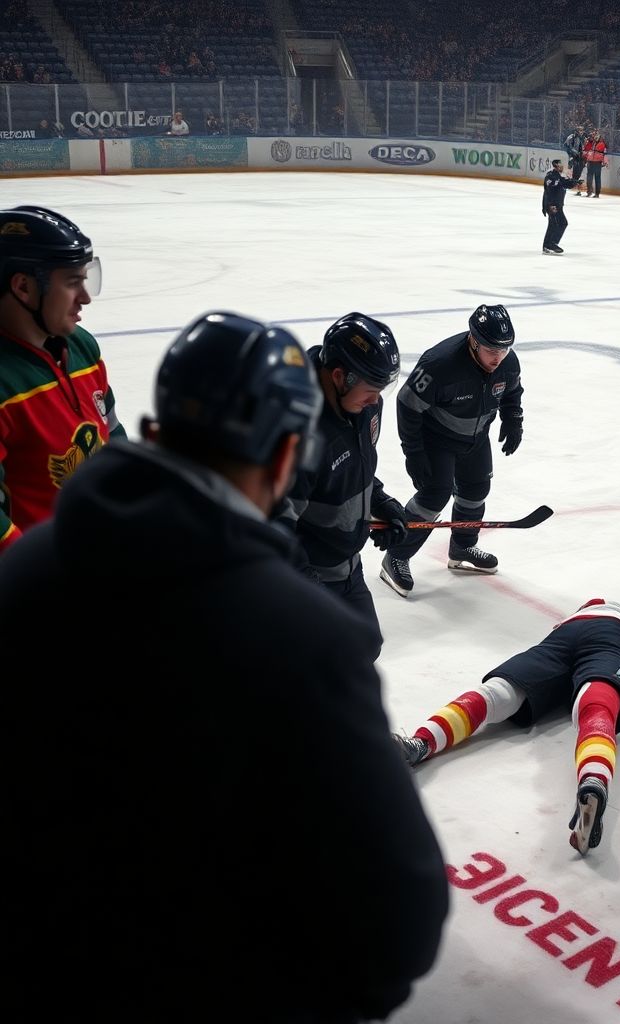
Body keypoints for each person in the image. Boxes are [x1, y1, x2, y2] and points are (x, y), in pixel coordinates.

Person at [0, 311, 449, 1021]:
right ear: (281, 462)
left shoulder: (26, 569)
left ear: (152, 429)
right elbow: (397, 922)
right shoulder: (303, 641)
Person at [393, 600, 620, 855]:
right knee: (597, 706)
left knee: (502, 692)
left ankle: (419, 742)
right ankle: (594, 781)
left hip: (577, 624)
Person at [276, 312, 407, 660]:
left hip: (347, 566)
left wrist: (381, 502)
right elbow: (276, 525)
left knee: (365, 645)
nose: (375, 400)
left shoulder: (359, 406)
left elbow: (355, 467)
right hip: (308, 577)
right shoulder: (299, 433)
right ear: (339, 376)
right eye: (371, 391)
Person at [0, 204, 123, 553]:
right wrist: (37, 579)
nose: (85, 298)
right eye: (72, 283)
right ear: (23, 287)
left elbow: (113, 434)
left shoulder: (82, 347)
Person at [380, 303, 523, 597]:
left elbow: (512, 391)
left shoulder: (507, 362)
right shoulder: (440, 364)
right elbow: (407, 404)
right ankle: (396, 556)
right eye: (491, 350)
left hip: (476, 437)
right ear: (473, 341)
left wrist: (513, 419)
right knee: (434, 496)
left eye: (504, 349)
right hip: (437, 438)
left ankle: (462, 546)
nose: (498, 358)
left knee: (476, 490)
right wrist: (414, 453)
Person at [542, 157, 584, 255]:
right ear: (556, 166)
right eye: (560, 165)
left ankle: (547, 245)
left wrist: (576, 182)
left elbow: (566, 183)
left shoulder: (559, 176)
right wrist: (550, 205)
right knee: (561, 223)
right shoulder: (550, 175)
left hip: (557, 205)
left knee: (552, 225)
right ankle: (552, 243)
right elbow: (552, 185)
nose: (562, 167)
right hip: (552, 205)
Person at [583, 129, 608, 197]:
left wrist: (605, 162)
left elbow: (605, 154)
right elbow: (589, 150)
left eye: (597, 136)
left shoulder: (602, 144)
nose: (595, 137)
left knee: (597, 178)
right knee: (589, 178)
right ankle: (589, 192)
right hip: (590, 162)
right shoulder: (592, 143)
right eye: (594, 136)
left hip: (597, 163)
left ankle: (597, 193)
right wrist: (586, 156)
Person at [563, 123, 587, 196]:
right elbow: (566, 146)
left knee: (579, 174)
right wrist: (572, 153)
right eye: (580, 130)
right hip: (573, 157)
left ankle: (578, 189)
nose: (581, 132)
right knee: (571, 173)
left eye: (582, 131)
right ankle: (566, 186)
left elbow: (585, 147)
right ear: (576, 131)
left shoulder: (584, 138)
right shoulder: (571, 137)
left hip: (581, 158)